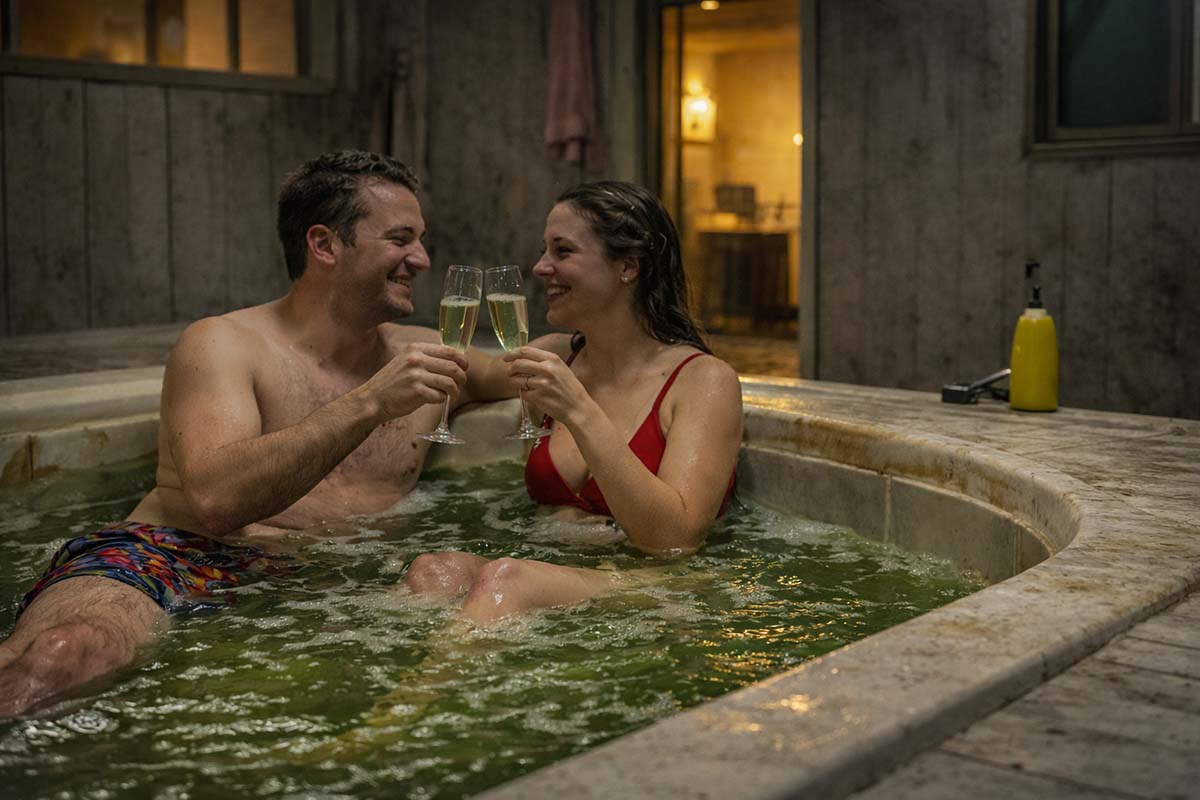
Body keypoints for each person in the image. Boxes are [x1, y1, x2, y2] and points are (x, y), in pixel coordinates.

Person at [0, 150, 513, 717]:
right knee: (62, 655)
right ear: (324, 245)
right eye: (400, 239)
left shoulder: (427, 355)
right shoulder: (222, 344)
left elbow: (527, 369)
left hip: (320, 580)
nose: (421, 258)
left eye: (420, 239)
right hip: (175, 554)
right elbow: (217, 501)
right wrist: (370, 403)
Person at [403, 180, 743, 623]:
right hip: (554, 564)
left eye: (562, 251)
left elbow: (674, 540)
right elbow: (472, 373)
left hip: (661, 583)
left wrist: (578, 410)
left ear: (628, 266)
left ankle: (435, 675)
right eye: (544, 251)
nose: (540, 267)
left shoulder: (703, 380)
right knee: (434, 571)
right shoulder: (556, 357)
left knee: (507, 580)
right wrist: (377, 368)